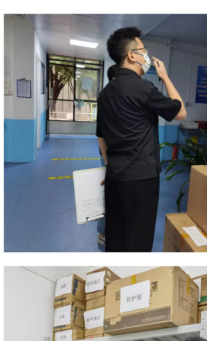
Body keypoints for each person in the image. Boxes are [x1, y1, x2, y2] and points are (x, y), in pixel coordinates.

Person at [97, 27, 187, 252]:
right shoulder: (144, 88)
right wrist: (165, 77)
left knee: (115, 236)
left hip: (115, 178)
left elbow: (101, 137)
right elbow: (181, 112)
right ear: (131, 55)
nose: (146, 55)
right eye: (143, 50)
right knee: (138, 239)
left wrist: (110, 166)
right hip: (141, 180)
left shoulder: (105, 93)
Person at [96, 65, 119, 252]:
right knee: (106, 193)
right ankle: (103, 232)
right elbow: (101, 134)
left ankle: (112, 229)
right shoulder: (108, 97)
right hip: (109, 155)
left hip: (118, 156)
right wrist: (107, 161)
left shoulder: (114, 96)